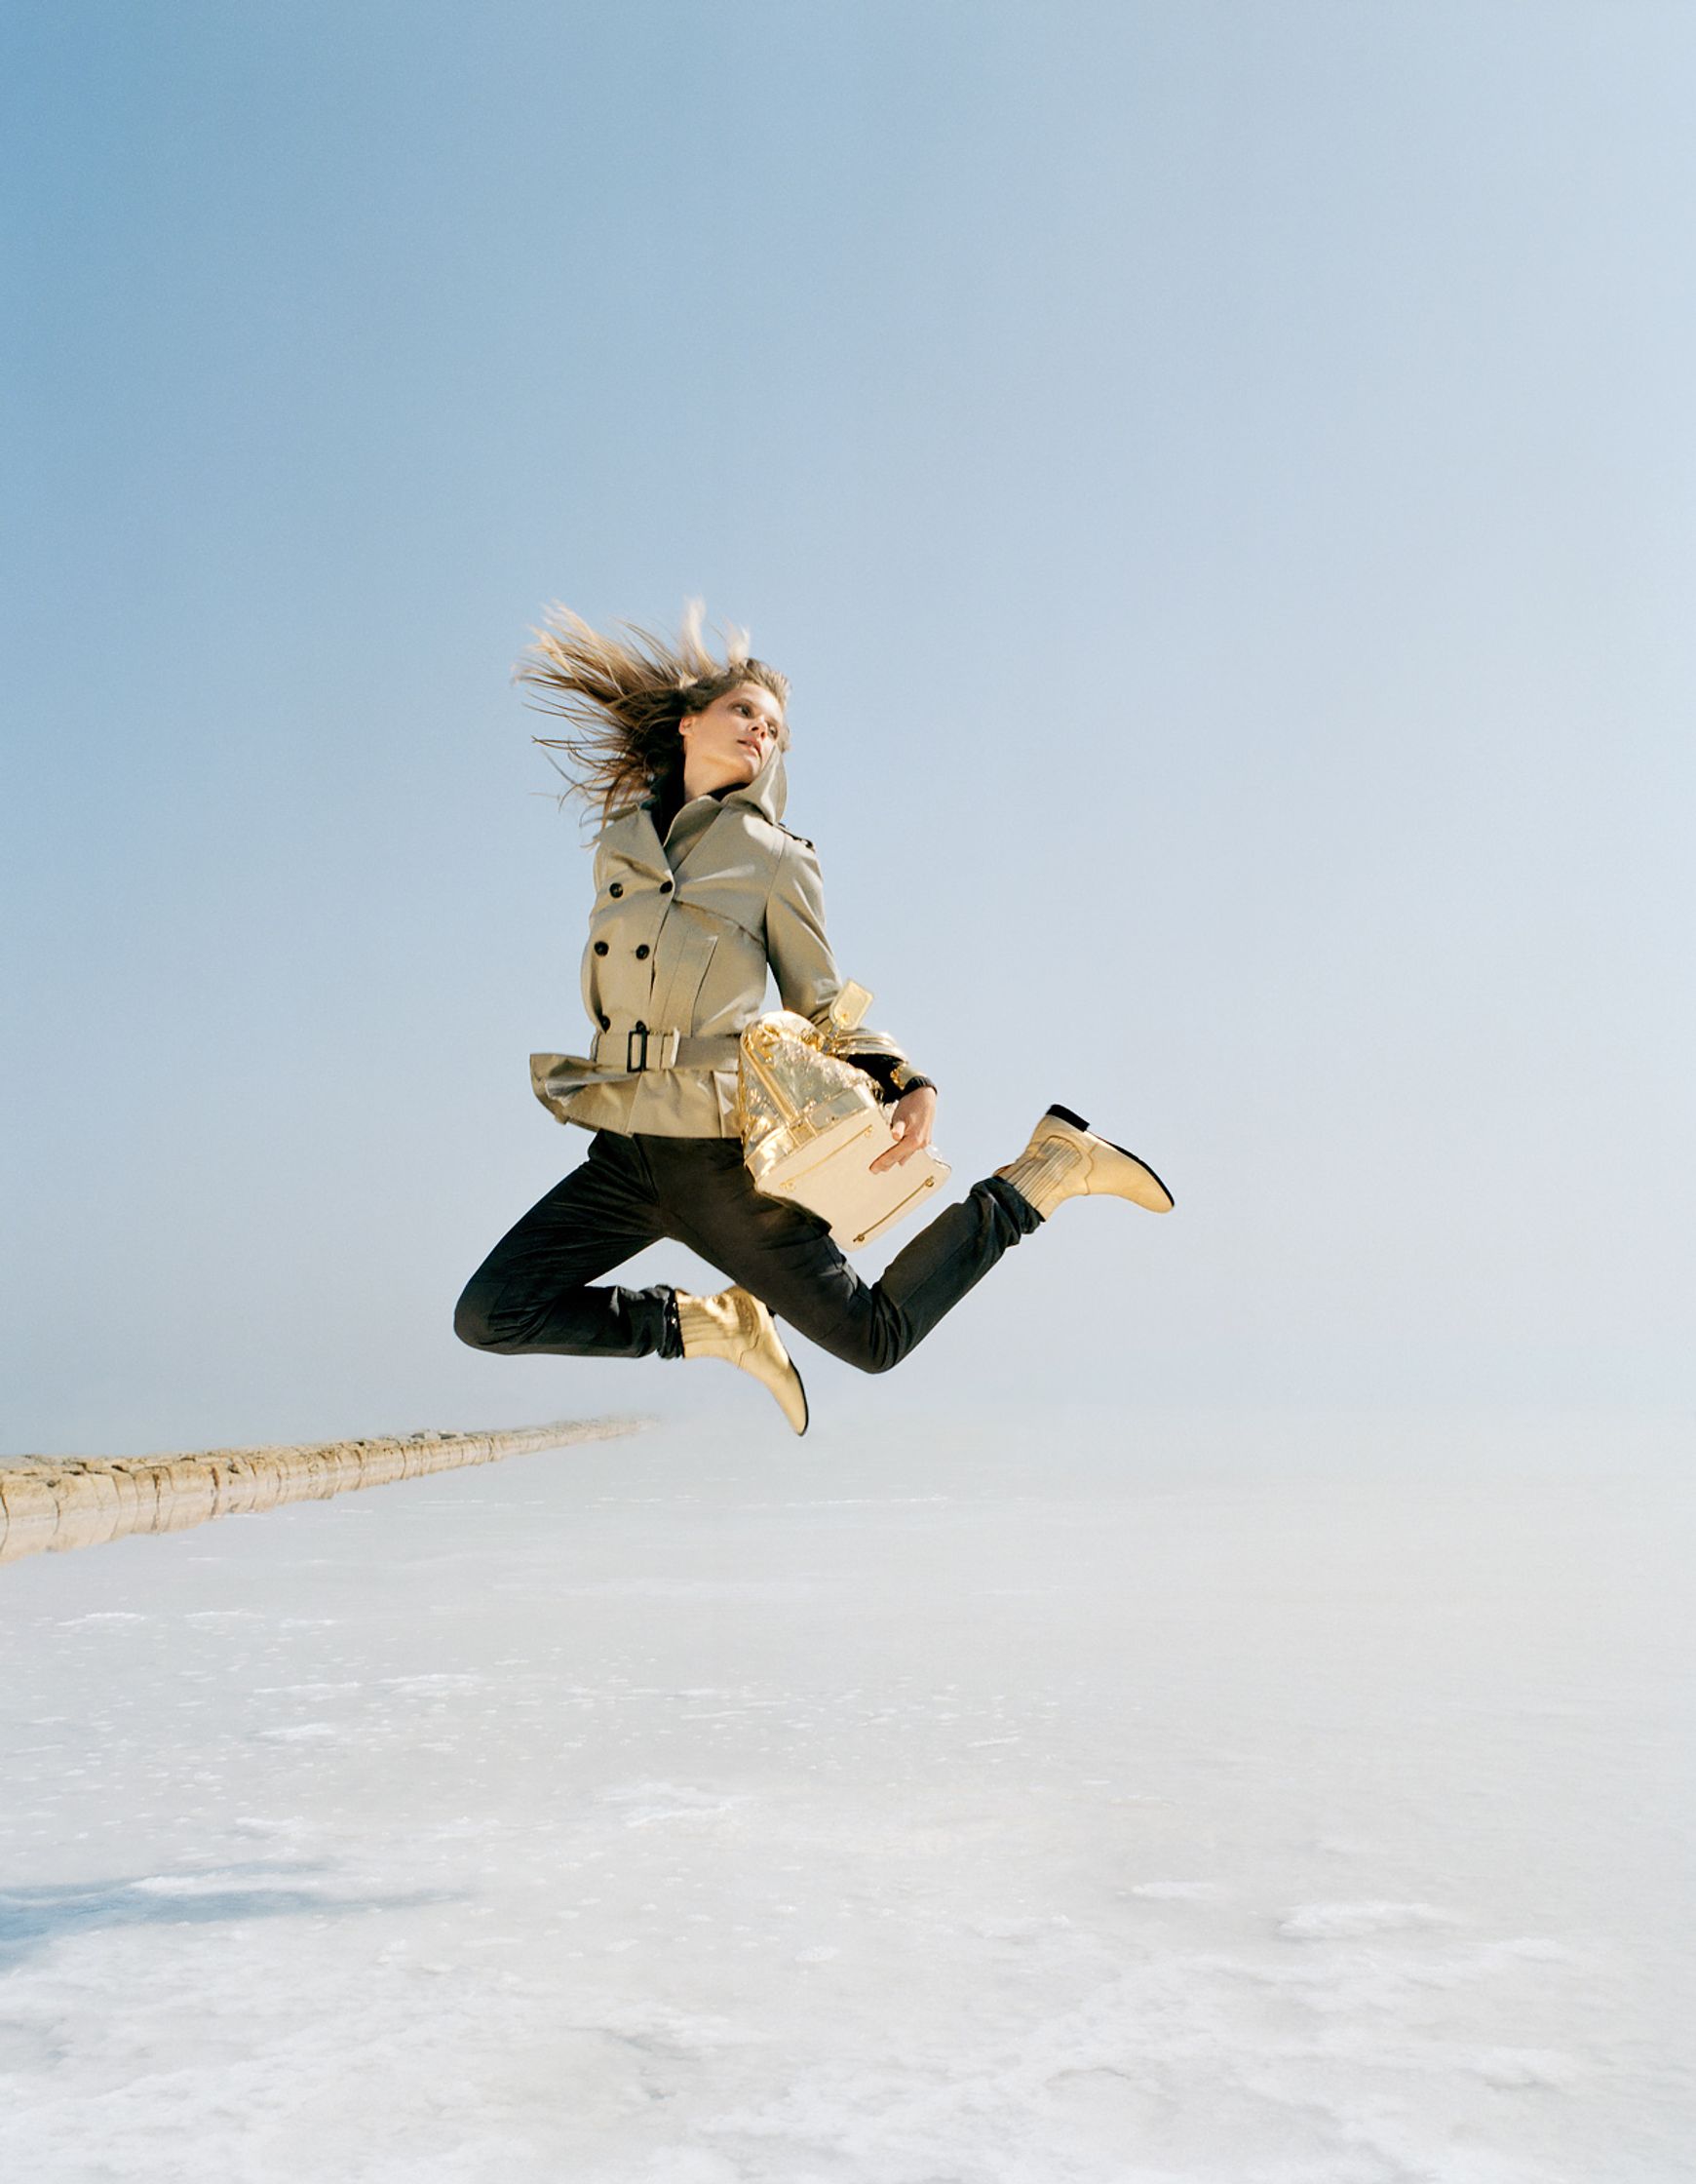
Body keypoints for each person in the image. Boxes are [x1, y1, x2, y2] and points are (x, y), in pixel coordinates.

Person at [453, 604, 1173, 1433]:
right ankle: (715, 1327)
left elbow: (820, 998)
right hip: (623, 1151)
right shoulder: (620, 845)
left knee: (876, 1339)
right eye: (744, 712)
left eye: (775, 728)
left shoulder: (775, 857)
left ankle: (1045, 1172)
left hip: (721, 1160)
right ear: (690, 722)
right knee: (492, 1314)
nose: (762, 733)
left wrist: (904, 1078)